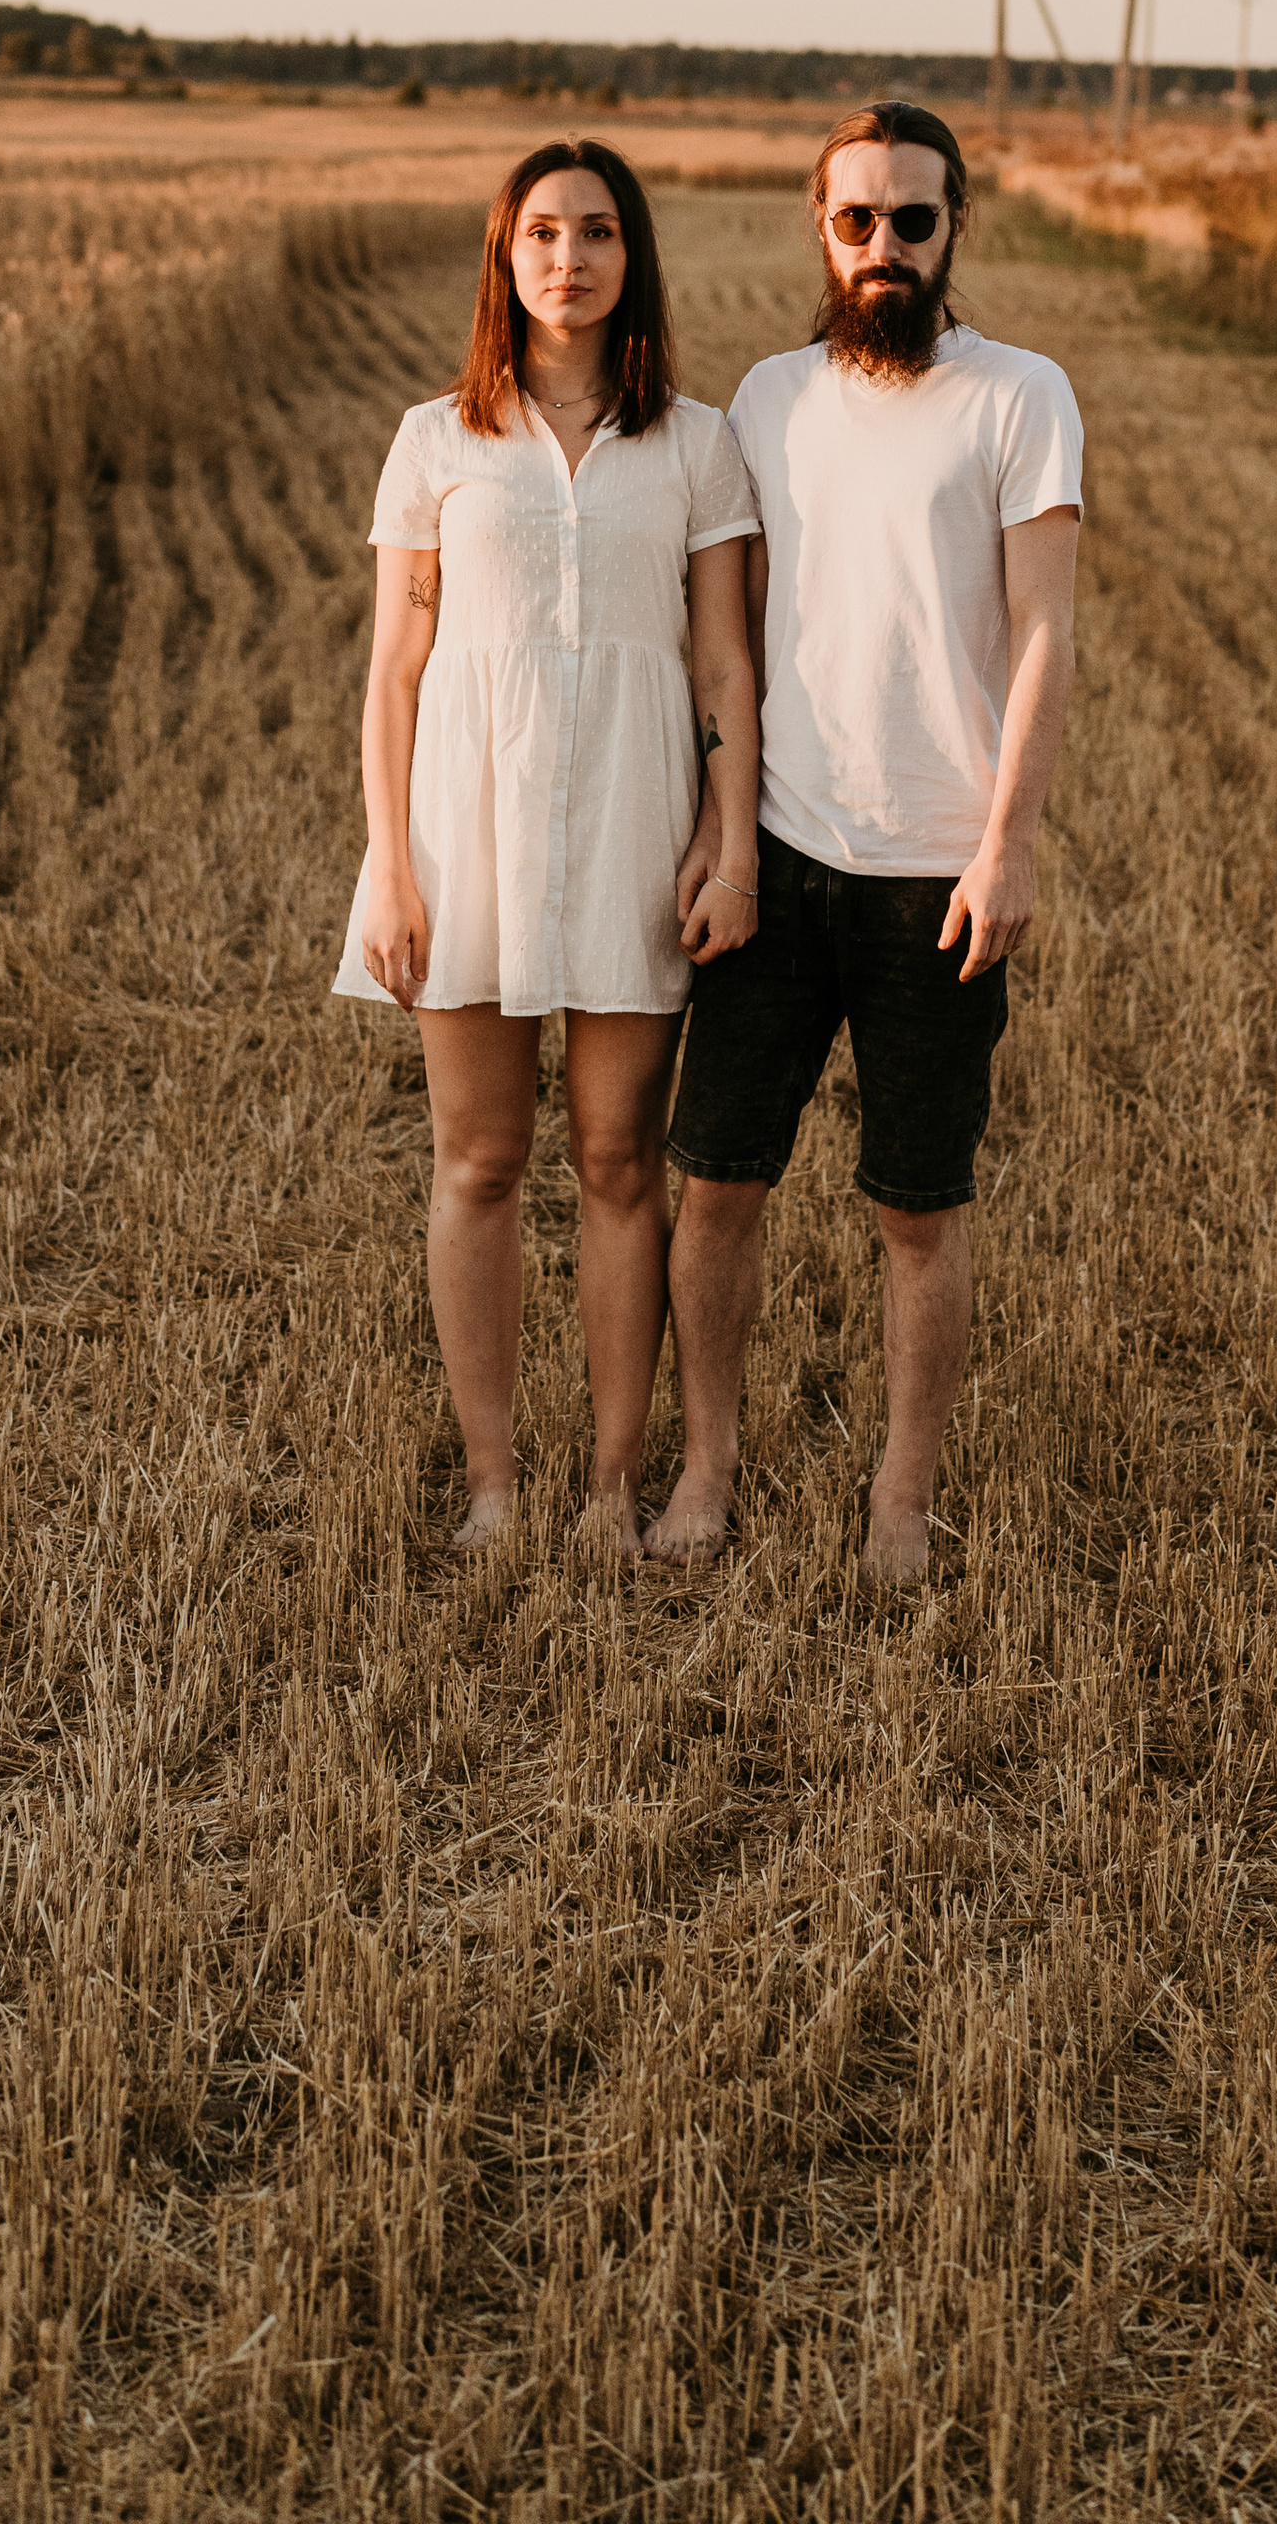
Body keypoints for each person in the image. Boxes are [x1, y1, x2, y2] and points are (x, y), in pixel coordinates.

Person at [650, 99, 1082, 1585]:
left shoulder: (1022, 397)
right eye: (858, 220)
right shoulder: (764, 401)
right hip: (778, 862)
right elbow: (732, 646)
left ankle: (901, 1502)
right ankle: (707, 1469)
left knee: (917, 1208)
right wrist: (726, 843)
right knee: (716, 1183)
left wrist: (1008, 845)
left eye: (914, 219)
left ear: (958, 226)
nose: (884, 246)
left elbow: (1045, 634)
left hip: (936, 886)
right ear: (820, 230)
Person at [334, 140, 761, 1555]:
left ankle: (611, 1488)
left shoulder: (698, 444)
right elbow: (394, 671)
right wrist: (390, 867)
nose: (567, 258)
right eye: (540, 235)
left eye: (595, 233)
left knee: (621, 1162)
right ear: (504, 259)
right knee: (478, 1162)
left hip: (640, 822)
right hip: (468, 832)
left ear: (632, 256)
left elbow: (721, 668)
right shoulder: (434, 441)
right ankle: (497, 1486)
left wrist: (729, 839)